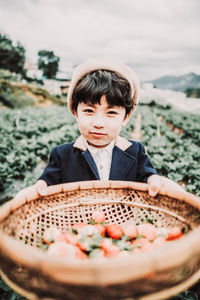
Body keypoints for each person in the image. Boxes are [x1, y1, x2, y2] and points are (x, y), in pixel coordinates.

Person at [15, 56, 184, 199]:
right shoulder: (62, 154)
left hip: (122, 229)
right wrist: (41, 184)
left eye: (110, 113)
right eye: (89, 111)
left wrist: (154, 180)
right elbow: (47, 182)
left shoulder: (135, 151)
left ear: (126, 117)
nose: (99, 122)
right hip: (76, 229)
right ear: (75, 112)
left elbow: (148, 176)